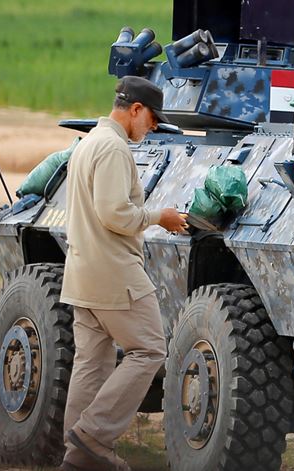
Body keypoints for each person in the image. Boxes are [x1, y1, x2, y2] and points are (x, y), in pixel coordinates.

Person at [59, 76, 187, 471]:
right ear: (135, 110)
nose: (151, 128)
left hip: (82, 272)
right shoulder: (113, 149)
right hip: (114, 272)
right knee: (150, 349)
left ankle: (78, 456)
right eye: (150, 119)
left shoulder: (87, 144)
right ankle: (94, 436)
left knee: (92, 363)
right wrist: (159, 217)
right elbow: (114, 213)